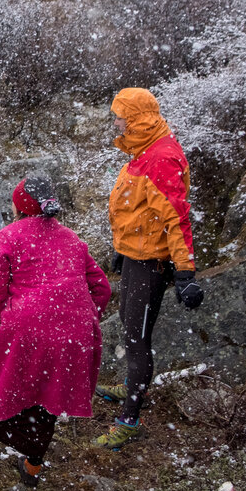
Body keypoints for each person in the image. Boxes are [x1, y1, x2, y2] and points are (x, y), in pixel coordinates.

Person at [0, 175, 111, 489]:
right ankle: (31, 468)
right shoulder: (72, 239)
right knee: (47, 401)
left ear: (19, 208)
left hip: (26, 329)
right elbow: (102, 289)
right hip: (73, 336)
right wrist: (77, 321)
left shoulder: (9, 236)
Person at [92, 87, 203, 451]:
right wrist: (123, 249)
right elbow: (138, 210)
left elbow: (177, 218)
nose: (115, 122)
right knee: (128, 325)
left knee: (138, 341)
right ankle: (131, 386)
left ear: (136, 119)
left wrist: (185, 273)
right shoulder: (143, 150)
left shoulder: (161, 157)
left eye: (120, 117)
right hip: (137, 258)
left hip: (152, 264)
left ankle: (129, 419)